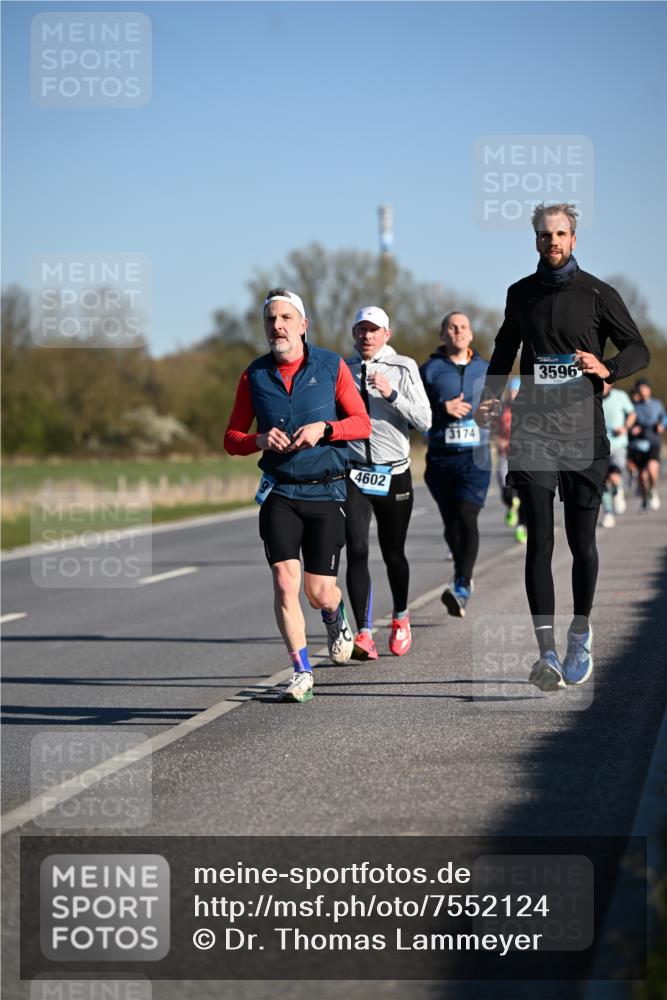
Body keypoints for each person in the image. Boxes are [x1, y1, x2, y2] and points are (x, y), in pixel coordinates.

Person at [476, 202, 650, 691]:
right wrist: (491, 399)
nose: (552, 241)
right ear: (535, 240)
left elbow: (638, 348)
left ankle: (579, 633)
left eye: (560, 234)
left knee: (582, 544)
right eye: (544, 234)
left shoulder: (598, 293)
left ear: (573, 239)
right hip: (533, 431)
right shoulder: (521, 294)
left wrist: (606, 368)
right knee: (540, 542)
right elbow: (506, 351)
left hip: (582, 433)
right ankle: (546, 652)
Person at [224, 288, 371, 702]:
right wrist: (258, 441)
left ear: (303, 325)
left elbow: (361, 423)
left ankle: (334, 614)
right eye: (271, 319)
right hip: (280, 493)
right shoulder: (254, 375)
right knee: (285, 582)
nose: (278, 326)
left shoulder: (330, 366)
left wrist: (325, 429)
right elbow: (231, 438)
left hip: (326, 491)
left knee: (318, 591)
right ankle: (302, 671)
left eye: (286, 318)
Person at [344, 306, 432, 659]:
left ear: (387, 334)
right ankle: (364, 633)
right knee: (357, 550)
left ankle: (400, 617)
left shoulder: (403, 367)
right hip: (354, 473)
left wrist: (392, 394)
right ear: (354, 334)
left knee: (393, 552)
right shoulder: (342, 369)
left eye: (374, 330)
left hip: (394, 474)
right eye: (361, 330)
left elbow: (425, 419)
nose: (367, 336)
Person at [420, 311, 492, 617]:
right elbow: (415, 412)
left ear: (471, 334)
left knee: (467, 517)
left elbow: (501, 403)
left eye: (463, 326)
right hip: (440, 458)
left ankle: (462, 585)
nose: (458, 331)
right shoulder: (429, 371)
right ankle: (463, 572)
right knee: (452, 525)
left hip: (475, 457)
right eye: (452, 327)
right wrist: (441, 408)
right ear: (442, 335)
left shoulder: (487, 369)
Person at [496, 376, 528, 543]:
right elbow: (495, 430)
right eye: (513, 391)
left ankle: (521, 527)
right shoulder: (503, 409)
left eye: (518, 391)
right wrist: (500, 441)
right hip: (505, 455)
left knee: (524, 493)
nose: (515, 394)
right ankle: (511, 503)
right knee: (505, 489)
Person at [600, 381, 636, 527]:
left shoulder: (620, 396)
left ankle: (618, 491)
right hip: (599, 447)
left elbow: (632, 413)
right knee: (601, 483)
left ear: (611, 384)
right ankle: (608, 513)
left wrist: (625, 427)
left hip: (618, 445)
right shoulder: (592, 398)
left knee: (614, 476)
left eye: (605, 382)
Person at [628, 378, 664, 511]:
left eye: (645, 388)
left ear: (649, 390)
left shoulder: (657, 403)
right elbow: (628, 422)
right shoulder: (633, 406)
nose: (643, 391)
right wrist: (633, 428)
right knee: (642, 476)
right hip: (638, 444)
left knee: (652, 468)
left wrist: (662, 425)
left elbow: (663, 417)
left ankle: (653, 491)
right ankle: (644, 499)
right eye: (640, 389)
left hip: (653, 440)